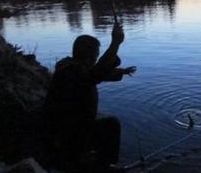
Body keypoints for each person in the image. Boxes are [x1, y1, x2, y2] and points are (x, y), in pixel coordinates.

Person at [43, 22, 136, 172]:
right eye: (96, 55)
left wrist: (120, 72)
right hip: (65, 135)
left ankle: (85, 157)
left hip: (66, 129)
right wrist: (115, 43)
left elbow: (94, 74)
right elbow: (94, 74)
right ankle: (103, 165)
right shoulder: (73, 71)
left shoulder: (68, 66)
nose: (96, 58)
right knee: (111, 125)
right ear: (88, 54)